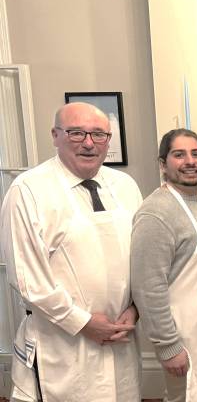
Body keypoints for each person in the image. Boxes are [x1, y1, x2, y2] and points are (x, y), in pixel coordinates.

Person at [0, 102, 142, 401]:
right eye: (77, 133)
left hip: (121, 337)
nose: (89, 143)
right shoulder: (28, 190)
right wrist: (82, 322)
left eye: (98, 135)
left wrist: (136, 308)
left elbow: (142, 258)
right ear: (55, 135)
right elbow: (27, 279)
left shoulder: (125, 186)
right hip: (63, 343)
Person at [131, 129, 197, 401]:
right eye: (179, 155)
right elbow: (147, 286)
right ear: (163, 164)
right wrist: (168, 347)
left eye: (196, 154)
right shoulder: (156, 212)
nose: (190, 161)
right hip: (184, 339)